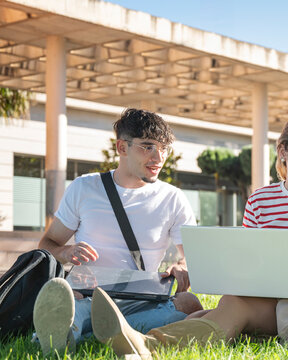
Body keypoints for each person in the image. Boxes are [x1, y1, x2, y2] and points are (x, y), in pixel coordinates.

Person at [88, 111, 288, 358]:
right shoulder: (260, 201)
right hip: (267, 304)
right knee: (221, 307)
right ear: (283, 151)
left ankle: (146, 344)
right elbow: (249, 266)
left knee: (231, 308)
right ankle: (138, 340)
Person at [33, 108, 203, 354]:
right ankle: (84, 330)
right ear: (122, 148)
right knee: (72, 303)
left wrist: (182, 266)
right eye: (147, 147)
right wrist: (66, 251)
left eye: (164, 148)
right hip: (88, 295)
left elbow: (191, 255)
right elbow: (47, 243)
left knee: (189, 303)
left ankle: (84, 331)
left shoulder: (173, 198)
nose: (158, 157)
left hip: (143, 298)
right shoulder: (84, 188)